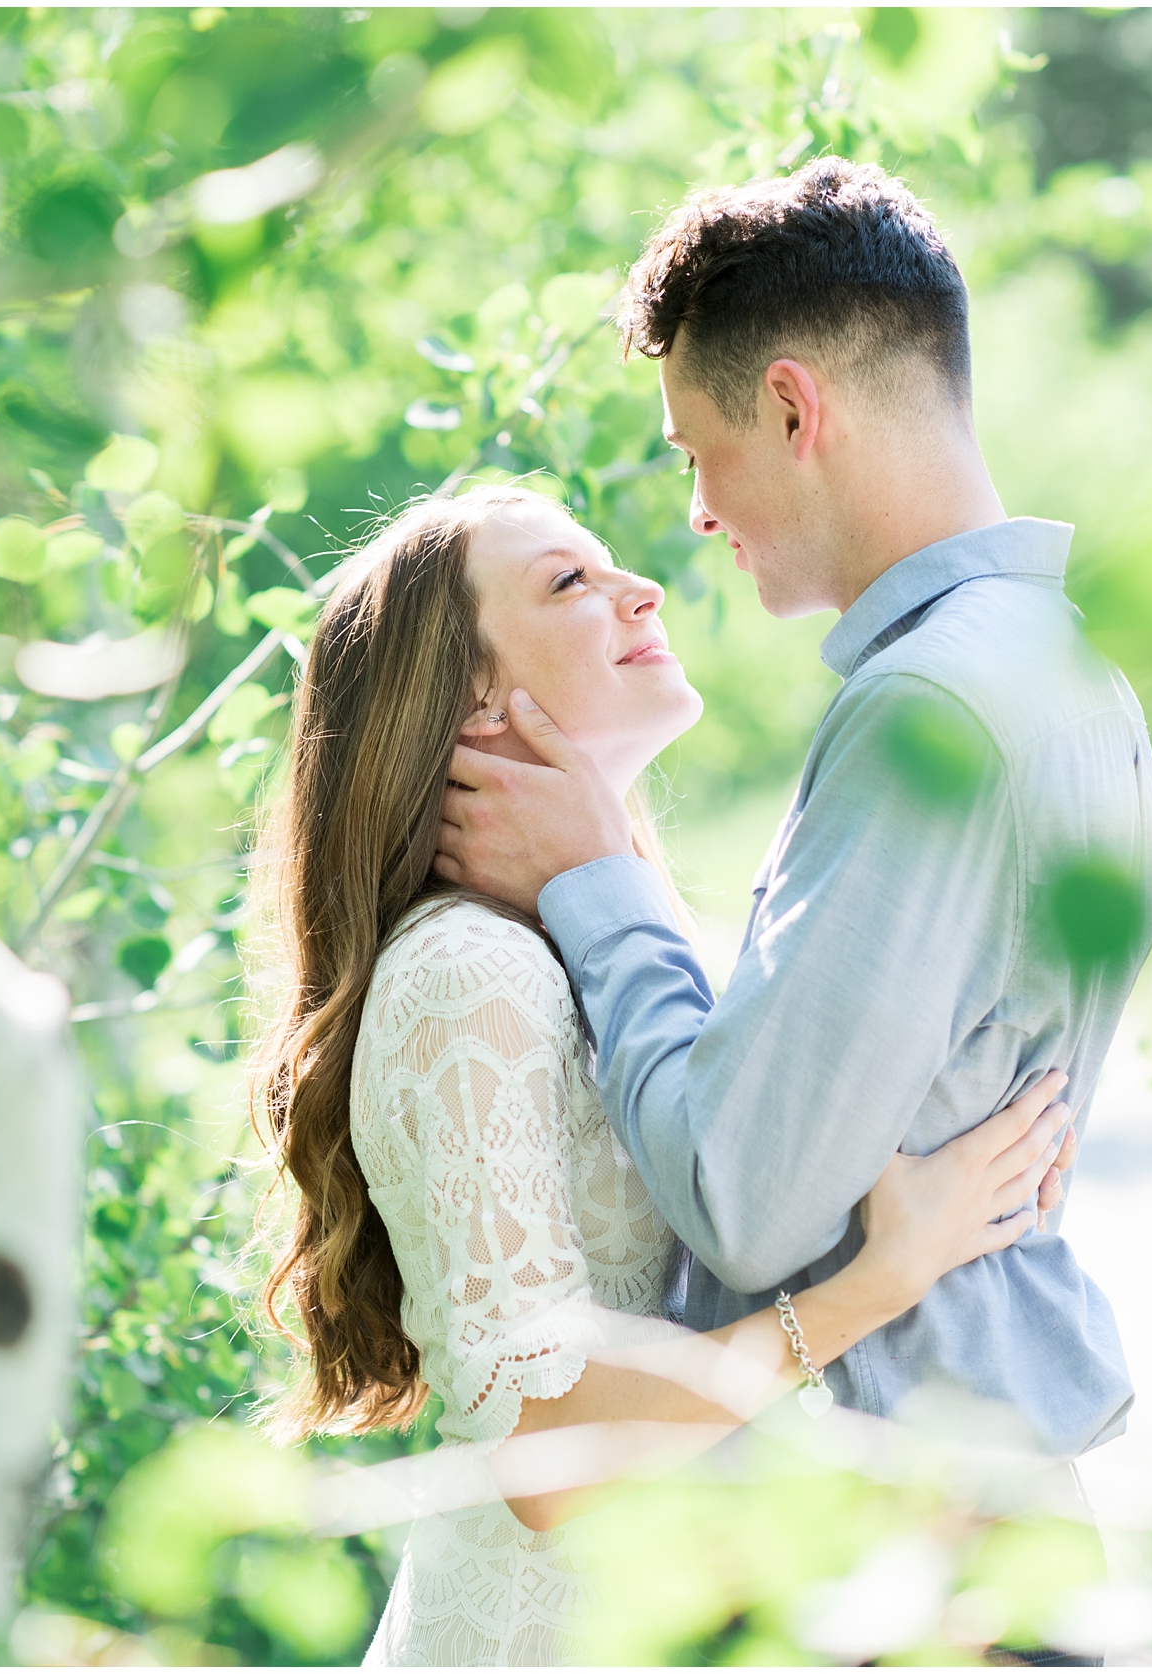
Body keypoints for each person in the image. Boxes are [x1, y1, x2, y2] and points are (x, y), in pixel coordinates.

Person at [433, 161, 1152, 1664]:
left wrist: (597, 881)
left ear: (790, 408)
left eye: (698, 454)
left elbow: (754, 1194)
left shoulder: (931, 706)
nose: (697, 516)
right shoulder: (1074, 675)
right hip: (988, 1514)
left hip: (909, 1555)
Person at [249, 484, 1082, 1667]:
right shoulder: (463, 973)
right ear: (472, 693)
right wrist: (881, 1277)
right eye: (567, 583)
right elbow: (546, 1452)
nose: (639, 587)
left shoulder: (594, 947)